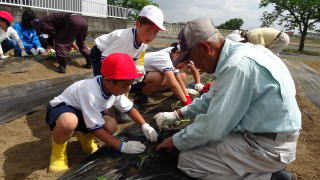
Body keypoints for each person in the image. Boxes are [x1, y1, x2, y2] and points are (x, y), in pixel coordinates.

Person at [154, 18, 301, 180]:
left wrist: (176, 141)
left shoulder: (237, 66)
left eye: (192, 59)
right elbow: (211, 97)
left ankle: (271, 178)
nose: (194, 66)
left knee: (188, 160)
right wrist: (178, 114)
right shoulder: (246, 52)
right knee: (199, 141)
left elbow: (213, 127)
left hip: (266, 147)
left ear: (205, 47)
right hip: (269, 137)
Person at [45, 53, 158, 173]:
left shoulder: (115, 89)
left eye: (129, 85)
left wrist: (145, 125)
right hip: (64, 109)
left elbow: (129, 108)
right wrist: (122, 146)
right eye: (125, 86)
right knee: (68, 122)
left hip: (86, 112)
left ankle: (85, 138)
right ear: (108, 81)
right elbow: (95, 127)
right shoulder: (90, 92)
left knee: (111, 125)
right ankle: (58, 154)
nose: (127, 90)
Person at [90, 5, 166, 77]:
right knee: (103, 79)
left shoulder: (144, 44)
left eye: (156, 32)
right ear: (138, 24)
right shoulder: (124, 38)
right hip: (100, 54)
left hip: (115, 56)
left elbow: (134, 60)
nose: (151, 36)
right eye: (148, 30)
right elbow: (106, 58)